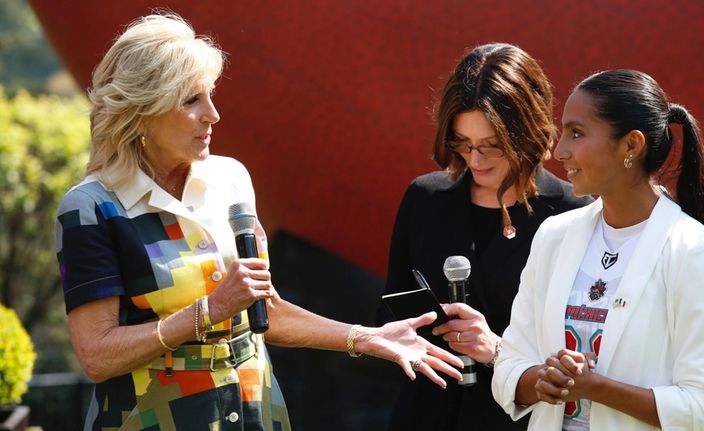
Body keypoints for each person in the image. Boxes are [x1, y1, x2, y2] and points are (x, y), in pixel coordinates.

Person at [54, 13, 463, 431]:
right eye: (191, 101)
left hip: (256, 410)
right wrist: (210, 309)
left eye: (210, 96)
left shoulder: (230, 179)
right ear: (144, 109)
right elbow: (97, 356)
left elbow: (264, 311)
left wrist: (364, 337)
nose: (213, 114)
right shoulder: (92, 208)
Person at [491, 69, 704, 430]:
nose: (559, 150)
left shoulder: (695, 253)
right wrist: (543, 380)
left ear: (631, 145)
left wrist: (597, 388)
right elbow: (510, 366)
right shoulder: (554, 236)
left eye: (576, 133)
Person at [376, 43, 592, 431]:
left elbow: (582, 349)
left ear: (529, 130)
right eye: (463, 143)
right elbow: (387, 310)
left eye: (492, 146)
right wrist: (411, 330)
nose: (475, 160)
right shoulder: (426, 198)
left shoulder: (576, 214)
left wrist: (494, 347)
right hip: (425, 415)